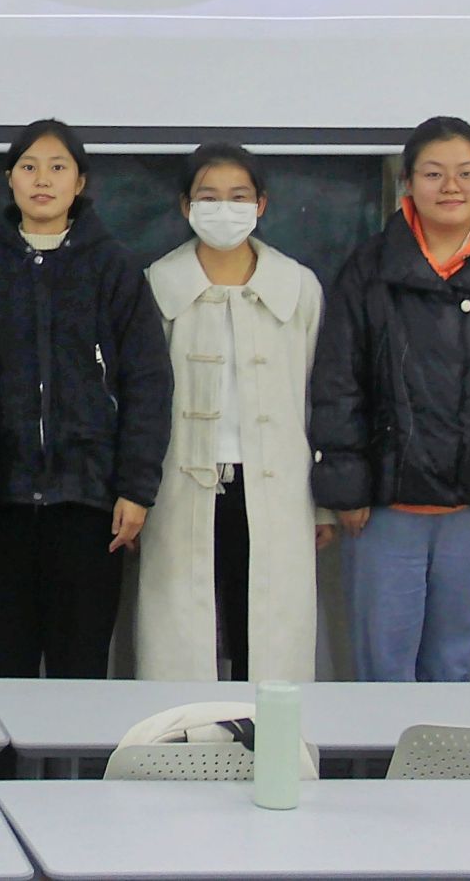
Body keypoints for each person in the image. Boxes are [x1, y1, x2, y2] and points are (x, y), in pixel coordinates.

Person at [311, 116, 470, 682]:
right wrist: (345, 485)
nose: (451, 187)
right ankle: (380, 750)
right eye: (433, 174)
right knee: (383, 670)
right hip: (382, 509)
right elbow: (337, 382)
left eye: (467, 173)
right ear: (408, 182)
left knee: (456, 668)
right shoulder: (368, 268)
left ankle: (443, 750)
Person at [0, 119, 170, 687]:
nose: (42, 180)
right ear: (9, 180)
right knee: (3, 673)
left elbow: (148, 384)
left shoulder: (115, 268)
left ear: (80, 183)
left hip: (89, 502)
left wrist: (136, 488)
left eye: (58, 167)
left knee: (81, 673)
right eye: (29, 167)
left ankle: (76, 758)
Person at [138, 142, 326, 683]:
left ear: (261, 204)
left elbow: (321, 397)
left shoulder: (298, 287)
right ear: (186, 206)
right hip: (180, 487)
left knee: (268, 636)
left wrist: (327, 506)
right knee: (183, 632)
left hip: (278, 488)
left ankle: (266, 738)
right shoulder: (156, 285)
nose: (225, 209)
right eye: (209, 196)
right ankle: (186, 737)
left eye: (239, 196)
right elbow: (138, 398)